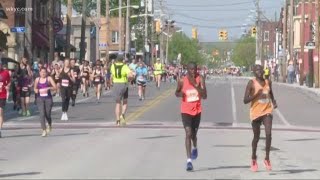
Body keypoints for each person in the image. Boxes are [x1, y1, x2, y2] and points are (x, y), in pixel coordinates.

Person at [243, 64, 278, 172]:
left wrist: (274, 101)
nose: (259, 71)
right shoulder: (251, 83)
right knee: (256, 137)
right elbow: (245, 100)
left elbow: (270, 92)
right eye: (257, 70)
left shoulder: (268, 82)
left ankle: (267, 159)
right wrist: (255, 95)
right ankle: (254, 158)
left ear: (263, 71)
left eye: (260, 70)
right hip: (256, 113)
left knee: (268, 134)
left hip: (267, 111)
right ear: (254, 72)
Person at [175, 62, 207, 171]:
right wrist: (181, 94)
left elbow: (205, 95)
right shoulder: (182, 80)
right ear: (187, 69)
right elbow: (177, 92)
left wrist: (196, 87)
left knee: (194, 135)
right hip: (185, 111)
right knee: (188, 133)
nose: (193, 71)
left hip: (197, 111)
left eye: (195, 69)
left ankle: (195, 147)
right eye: (191, 69)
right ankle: (189, 161)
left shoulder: (200, 79)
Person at [110, 55, 133, 126]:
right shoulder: (125, 66)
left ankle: (117, 120)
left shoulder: (113, 66)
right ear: (122, 60)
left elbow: (112, 75)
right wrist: (129, 80)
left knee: (117, 103)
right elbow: (130, 75)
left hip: (116, 84)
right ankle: (122, 114)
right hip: (123, 84)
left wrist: (111, 82)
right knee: (125, 100)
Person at [34, 67, 57, 137]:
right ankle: (44, 130)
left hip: (48, 99)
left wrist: (49, 88)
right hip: (40, 98)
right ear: (39, 73)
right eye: (42, 72)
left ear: (46, 73)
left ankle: (49, 124)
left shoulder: (49, 78)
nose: (43, 73)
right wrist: (36, 91)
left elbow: (55, 87)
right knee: (42, 114)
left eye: (44, 72)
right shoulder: (37, 79)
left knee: (48, 114)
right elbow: (35, 88)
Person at [0, 60, 11, 138]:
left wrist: (8, 86)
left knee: (0, 113)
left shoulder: (6, 72)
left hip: (2, 95)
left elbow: (9, 81)